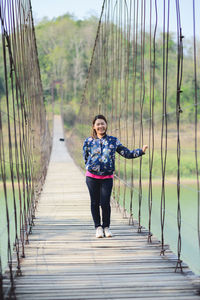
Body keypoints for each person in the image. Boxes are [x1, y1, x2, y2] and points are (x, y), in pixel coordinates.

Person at [83, 115, 148, 238]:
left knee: (105, 202)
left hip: (107, 178)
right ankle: (98, 227)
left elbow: (127, 153)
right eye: (98, 124)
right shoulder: (88, 141)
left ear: (106, 125)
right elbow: (85, 156)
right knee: (94, 202)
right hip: (91, 177)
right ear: (94, 127)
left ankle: (106, 227)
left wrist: (141, 151)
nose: (100, 126)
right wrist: (91, 166)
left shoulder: (113, 141)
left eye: (103, 123)